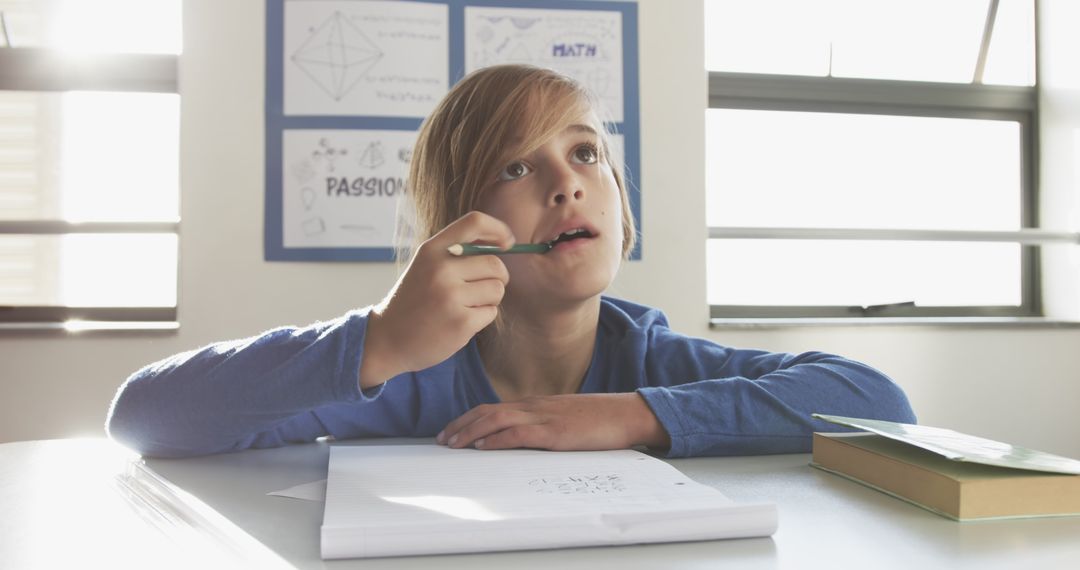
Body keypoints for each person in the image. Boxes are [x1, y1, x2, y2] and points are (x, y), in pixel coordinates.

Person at [106, 64, 915, 458]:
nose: (567, 184)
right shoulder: (401, 377)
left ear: (623, 215)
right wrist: (381, 342)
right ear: (456, 233)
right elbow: (143, 416)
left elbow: (879, 403)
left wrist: (628, 414)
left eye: (587, 155)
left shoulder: (659, 363)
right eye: (517, 168)